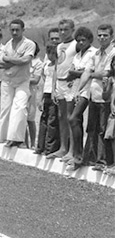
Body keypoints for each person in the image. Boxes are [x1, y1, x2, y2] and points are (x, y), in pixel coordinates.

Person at [78, 24, 114, 170]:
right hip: (94, 96)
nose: (102, 38)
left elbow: (106, 73)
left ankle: (103, 161)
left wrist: (91, 74)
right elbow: (87, 73)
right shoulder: (96, 54)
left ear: (111, 37)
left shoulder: (113, 54)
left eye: (105, 35)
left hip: (107, 98)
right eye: (99, 35)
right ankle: (91, 158)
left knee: (104, 130)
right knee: (92, 128)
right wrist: (78, 91)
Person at [0, 19, 35, 147]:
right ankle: (3, 137)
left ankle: (16, 139)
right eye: (12, 30)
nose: (14, 32)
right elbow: (2, 63)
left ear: (23, 30)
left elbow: (26, 59)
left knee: (20, 107)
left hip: (22, 81)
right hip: (7, 80)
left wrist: (10, 60)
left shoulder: (29, 44)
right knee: (5, 108)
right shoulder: (7, 45)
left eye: (17, 30)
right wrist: (15, 60)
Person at [64, 26, 96, 170]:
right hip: (75, 90)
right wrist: (75, 73)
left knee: (73, 118)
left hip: (87, 90)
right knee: (74, 120)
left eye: (84, 40)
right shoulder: (78, 55)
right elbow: (72, 72)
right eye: (79, 40)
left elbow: (87, 72)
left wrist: (75, 72)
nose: (81, 43)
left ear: (89, 40)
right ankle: (76, 154)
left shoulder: (93, 53)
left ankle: (79, 156)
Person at [47, 19, 77, 159]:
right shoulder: (59, 47)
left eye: (66, 29)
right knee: (61, 116)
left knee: (71, 117)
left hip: (70, 84)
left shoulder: (76, 45)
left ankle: (72, 150)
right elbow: (56, 68)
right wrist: (53, 88)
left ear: (72, 29)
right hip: (59, 84)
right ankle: (63, 147)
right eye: (61, 30)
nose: (63, 32)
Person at [35, 28, 61, 155]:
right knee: (44, 119)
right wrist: (40, 99)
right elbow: (44, 80)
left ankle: (50, 147)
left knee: (52, 121)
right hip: (46, 94)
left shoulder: (58, 65)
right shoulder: (46, 65)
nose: (51, 56)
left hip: (54, 93)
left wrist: (53, 92)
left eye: (53, 53)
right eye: (49, 53)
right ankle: (40, 146)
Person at [26, 43, 44, 148]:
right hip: (20, 92)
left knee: (30, 120)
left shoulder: (38, 63)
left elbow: (35, 80)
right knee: (21, 119)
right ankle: (25, 143)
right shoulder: (23, 61)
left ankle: (33, 144)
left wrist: (23, 79)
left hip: (31, 93)